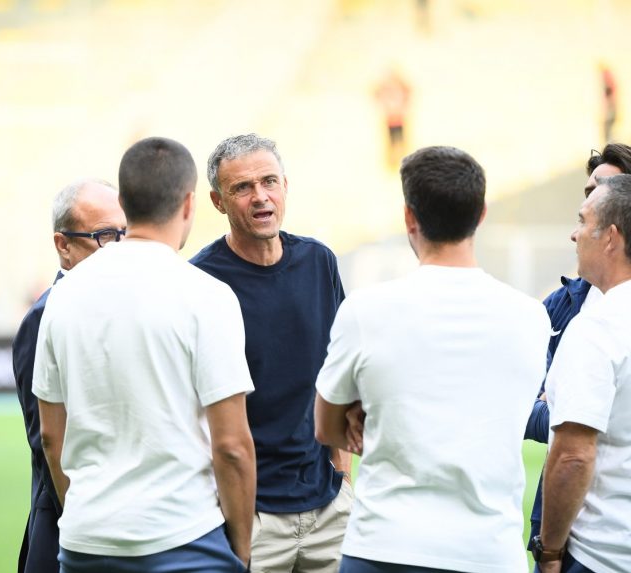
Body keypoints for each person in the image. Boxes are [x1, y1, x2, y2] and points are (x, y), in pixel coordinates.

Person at [315, 146, 551, 573]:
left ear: (409, 217)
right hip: (488, 553)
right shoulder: (531, 317)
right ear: (481, 214)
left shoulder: (365, 311)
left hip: (383, 548)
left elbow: (326, 426)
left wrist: (361, 411)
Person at [32, 137, 256, 573]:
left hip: (86, 542)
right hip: (184, 537)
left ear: (124, 202)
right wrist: (241, 551)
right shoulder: (206, 294)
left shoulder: (63, 295)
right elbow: (232, 446)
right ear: (189, 204)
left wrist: (83, 515)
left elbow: (51, 437)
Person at [190, 133, 352, 573]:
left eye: (269, 182)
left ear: (285, 185)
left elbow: (336, 376)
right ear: (217, 202)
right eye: (242, 188)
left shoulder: (319, 262)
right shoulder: (199, 284)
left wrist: (344, 478)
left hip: (329, 509)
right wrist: (238, 525)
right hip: (249, 517)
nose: (260, 197)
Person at [523, 143, 631, 565]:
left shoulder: (598, 327)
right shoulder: (570, 306)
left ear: (615, 232)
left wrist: (550, 551)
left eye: (586, 216)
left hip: (604, 555)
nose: (575, 230)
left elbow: (574, 452)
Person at [12, 178, 127, 573]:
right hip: (71, 527)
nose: (119, 248)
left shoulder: (126, 305)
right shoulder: (44, 317)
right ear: (63, 245)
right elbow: (48, 442)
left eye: (126, 233)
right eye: (105, 236)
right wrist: (87, 522)